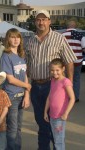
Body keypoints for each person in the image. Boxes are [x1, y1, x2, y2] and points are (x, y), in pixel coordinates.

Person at [25, 10, 77, 150]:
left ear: (49, 21)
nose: (41, 22)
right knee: (41, 122)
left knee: (55, 122)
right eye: (38, 20)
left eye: (44, 19)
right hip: (36, 87)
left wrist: (69, 85)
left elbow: (69, 61)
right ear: (35, 22)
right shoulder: (30, 40)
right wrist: (27, 88)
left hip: (53, 86)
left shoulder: (59, 38)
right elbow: (27, 66)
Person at [0, 28, 31, 150]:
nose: (15, 39)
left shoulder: (21, 55)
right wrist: (27, 86)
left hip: (22, 96)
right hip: (11, 97)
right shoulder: (6, 56)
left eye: (17, 37)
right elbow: (11, 79)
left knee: (18, 127)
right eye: (12, 37)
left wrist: (27, 94)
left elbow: (25, 76)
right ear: (8, 39)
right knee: (12, 128)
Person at [44, 58, 75, 150]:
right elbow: (49, 97)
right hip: (52, 115)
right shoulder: (53, 80)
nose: (54, 72)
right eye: (52, 70)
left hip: (60, 117)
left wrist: (65, 113)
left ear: (63, 69)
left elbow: (72, 99)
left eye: (57, 70)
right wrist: (45, 112)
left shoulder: (66, 82)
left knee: (59, 141)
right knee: (56, 138)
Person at [62, 20, 85, 103]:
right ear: (75, 26)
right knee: (76, 79)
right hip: (77, 61)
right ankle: (75, 97)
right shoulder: (80, 35)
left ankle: (66, 96)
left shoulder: (62, 35)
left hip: (66, 62)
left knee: (66, 79)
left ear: (67, 26)